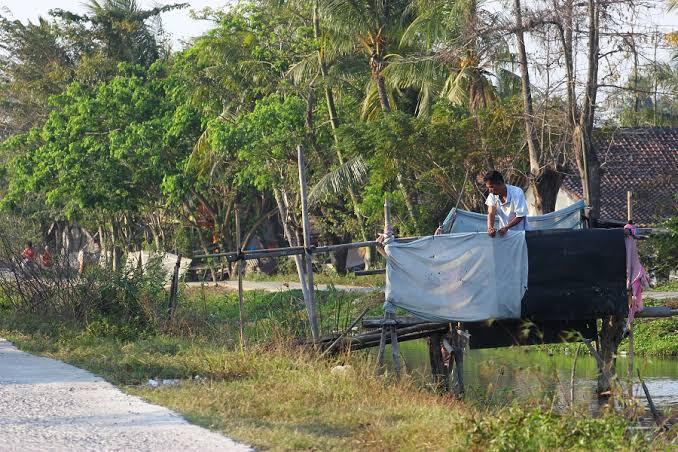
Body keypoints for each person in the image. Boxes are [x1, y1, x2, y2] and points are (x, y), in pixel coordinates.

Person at [483, 170, 529, 237]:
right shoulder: (492, 195)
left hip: (521, 234)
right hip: (504, 235)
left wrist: (506, 227)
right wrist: (490, 228)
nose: (490, 190)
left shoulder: (517, 192)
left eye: (491, 187)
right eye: (488, 187)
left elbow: (520, 215)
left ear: (500, 183)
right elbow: (491, 213)